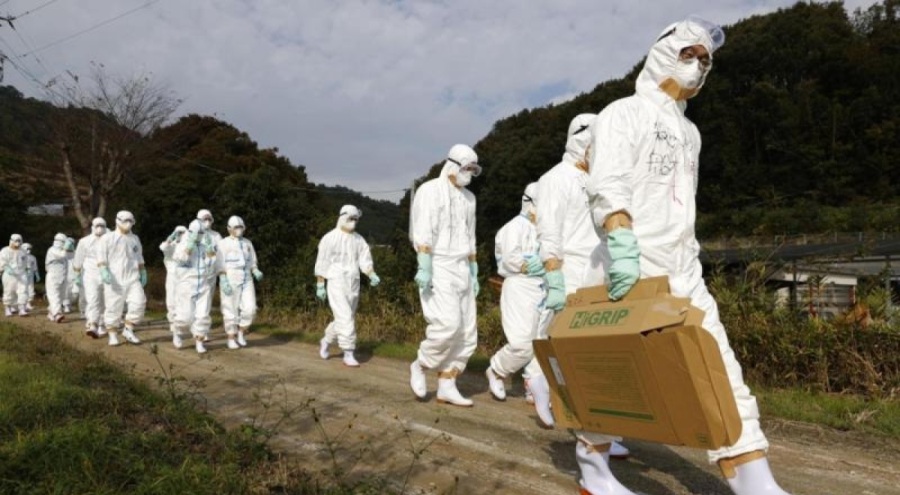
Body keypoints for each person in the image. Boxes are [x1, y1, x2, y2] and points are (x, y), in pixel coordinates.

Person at [581, 18, 790, 495]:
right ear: (662, 54)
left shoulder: (691, 133)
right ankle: (592, 468)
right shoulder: (622, 113)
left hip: (682, 267)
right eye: (688, 55)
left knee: (718, 364)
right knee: (617, 379)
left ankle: (754, 479)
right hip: (628, 262)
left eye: (705, 60)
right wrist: (621, 241)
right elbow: (607, 183)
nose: (697, 67)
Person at [532, 114, 631, 455]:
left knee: (601, 357)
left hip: (600, 274)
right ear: (580, 139)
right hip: (571, 273)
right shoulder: (555, 179)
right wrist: (554, 277)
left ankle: (601, 432)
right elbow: (549, 232)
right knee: (573, 359)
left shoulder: (600, 180)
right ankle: (584, 432)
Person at [408, 144, 481, 406]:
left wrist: (474, 270)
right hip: (438, 265)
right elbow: (423, 228)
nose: (469, 173)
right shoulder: (430, 191)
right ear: (452, 164)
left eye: (473, 169)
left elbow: (470, 234)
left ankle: (447, 384)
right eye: (466, 168)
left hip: (462, 265)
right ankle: (421, 364)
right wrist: (424, 265)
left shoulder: (470, 199)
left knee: (466, 331)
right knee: (447, 324)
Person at [485, 183, 549, 406]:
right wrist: (530, 265)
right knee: (522, 343)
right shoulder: (513, 228)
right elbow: (509, 260)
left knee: (540, 341)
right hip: (519, 287)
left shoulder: (544, 228)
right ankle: (497, 370)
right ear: (528, 202)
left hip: (543, 287)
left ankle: (534, 386)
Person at [315, 205, 380, 367]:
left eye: (356, 219)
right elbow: (322, 262)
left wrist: (371, 273)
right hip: (336, 281)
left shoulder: (359, 239)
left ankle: (326, 340)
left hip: (353, 282)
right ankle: (349, 352)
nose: (353, 222)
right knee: (345, 317)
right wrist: (320, 284)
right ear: (342, 217)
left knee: (345, 317)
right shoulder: (329, 238)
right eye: (351, 219)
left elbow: (364, 259)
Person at [97, 211, 146, 347]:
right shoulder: (107, 238)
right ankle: (112, 334)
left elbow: (139, 256)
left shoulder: (134, 238)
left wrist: (142, 270)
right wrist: (103, 269)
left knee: (139, 302)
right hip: (114, 279)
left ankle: (128, 329)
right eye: (125, 221)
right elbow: (101, 257)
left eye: (131, 221)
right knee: (113, 306)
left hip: (132, 277)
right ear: (117, 221)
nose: (128, 224)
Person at [173, 219, 218, 353]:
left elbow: (212, 262)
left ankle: (199, 340)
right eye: (197, 233)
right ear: (191, 232)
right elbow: (180, 259)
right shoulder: (182, 245)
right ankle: (178, 332)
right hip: (187, 285)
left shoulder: (203, 246)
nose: (200, 235)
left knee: (203, 315)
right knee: (185, 317)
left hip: (203, 284)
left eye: (202, 233)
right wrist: (189, 247)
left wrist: (210, 250)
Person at [218, 216, 263, 350]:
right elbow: (219, 263)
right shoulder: (223, 244)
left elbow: (252, 260)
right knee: (230, 309)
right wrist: (223, 279)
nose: (239, 230)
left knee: (250, 308)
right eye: (236, 227)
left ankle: (241, 332)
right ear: (229, 229)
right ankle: (231, 337)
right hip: (231, 277)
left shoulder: (247, 243)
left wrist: (255, 270)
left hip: (247, 278)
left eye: (241, 227)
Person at [74, 218, 109, 338]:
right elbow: (78, 258)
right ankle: (92, 323)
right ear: (92, 227)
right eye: (97, 225)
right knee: (93, 299)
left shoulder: (111, 239)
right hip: (90, 274)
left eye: (102, 226)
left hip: (107, 273)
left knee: (105, 300)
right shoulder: (84, 241)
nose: (100, 228)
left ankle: (102, 323)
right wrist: (77, 274)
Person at [160, 225, 187, 344]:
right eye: (178, 233)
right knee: (171, 302)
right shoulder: (171, 246)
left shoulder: (188, 246)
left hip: (185, 277)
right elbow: (163, 247)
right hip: (172, 277)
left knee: (184, 303)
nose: (180, 235)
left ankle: (182, 326)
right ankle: (174, 327)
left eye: (182, 232)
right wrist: (170, 238)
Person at [1, 234, 29, 317]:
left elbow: (25, 262)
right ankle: (8, 308)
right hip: (9, 275)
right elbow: (2, 262)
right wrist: (6, 268)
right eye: (16, 241)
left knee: (23, 291)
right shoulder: (5, 251)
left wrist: (25, 270)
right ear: (11, 241)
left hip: (21, 274)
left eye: (19, 241)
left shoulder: (23, 251)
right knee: (9, 291)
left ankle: (22, 309)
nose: (18, 243)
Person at [44, 233, 69, 323]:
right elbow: (61, 255)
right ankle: (57, 313)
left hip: (62, 276)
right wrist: (66, 247)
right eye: (63, 242)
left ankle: (51, 312)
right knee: (54, 295)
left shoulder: (64, 251)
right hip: (53, 275)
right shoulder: (52, 250)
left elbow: (69, 257)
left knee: (60, 296)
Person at [63, 237, 80, 315]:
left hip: (75, 276)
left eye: (71, 243)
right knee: (66, 292)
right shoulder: (62, 254)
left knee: (76, 292)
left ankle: (70, 303)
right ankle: (66, 305)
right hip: (65, 276)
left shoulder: (76, 253)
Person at [22, 243, 39, 312]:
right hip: (22, 275)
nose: (29, 250)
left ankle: (28, 304)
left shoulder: (33, 257)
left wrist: (37, 275)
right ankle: (22, 304)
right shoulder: (21, 256)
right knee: (23, 289)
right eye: (27, 248)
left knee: (31, 289)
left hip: (30, 275)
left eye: (30, 249)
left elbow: (35, 267)